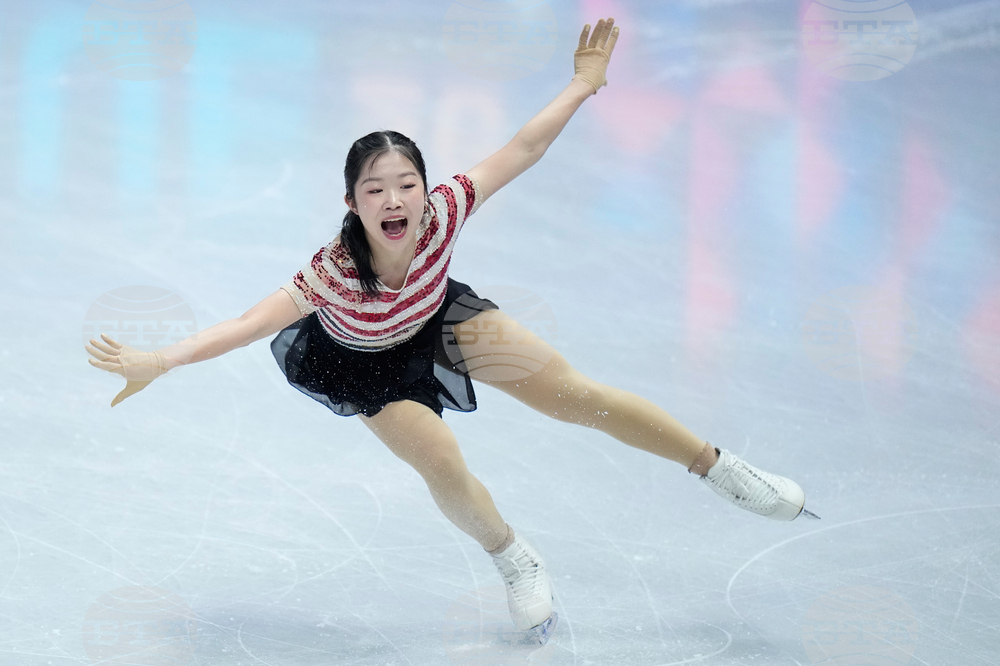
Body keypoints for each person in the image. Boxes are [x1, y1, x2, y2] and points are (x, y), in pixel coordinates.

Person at [86, 18, 815, 644]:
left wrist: (583, 84)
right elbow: (249, 324)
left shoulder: (443, 211)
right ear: (352, 202)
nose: (395, 198)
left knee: (574, 394)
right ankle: (512, 557)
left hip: (440, 321)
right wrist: (162, 358)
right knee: (441, 460)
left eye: (406, 182)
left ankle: (719, 468)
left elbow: (522, 150)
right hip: (364, 365)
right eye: (375, 188)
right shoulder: (334, 270)